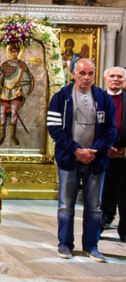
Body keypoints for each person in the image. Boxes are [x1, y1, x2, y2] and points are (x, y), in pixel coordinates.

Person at [47, 59, 116, 262]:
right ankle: (65, 244)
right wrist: (76, 150)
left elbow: (111, 129)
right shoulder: (61, 97)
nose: (86, 77)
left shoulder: (103, 98)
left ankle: (91, 246)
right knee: (65, 205)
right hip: (69, 160)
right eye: (82, 73)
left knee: (94, 207)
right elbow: (54, 128)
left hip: (95, 160)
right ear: (73, 74)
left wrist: (94, 150)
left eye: (90, 73)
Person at [101, 67, 126, 242]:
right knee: (104, 193)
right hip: (102, 155)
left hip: (124, 156)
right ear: (105, 79)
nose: (115, 79)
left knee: (124, 195)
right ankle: (100, 225)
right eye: (112, 76)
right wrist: (105, 148)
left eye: (120, 76)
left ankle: (124, 231)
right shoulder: (97, 99)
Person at [0, 44, 34, 146]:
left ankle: (13, 136)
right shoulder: (5, 65)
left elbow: (28, 79)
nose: (14, 54)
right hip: (5, 92)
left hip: (16, 92)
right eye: (13, 52)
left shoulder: (22, 65)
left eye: (16, 51)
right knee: (2, 113)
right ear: (10, 52)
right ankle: (2, 136)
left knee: (14, 113)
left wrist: (24, 92)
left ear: (19, 52)